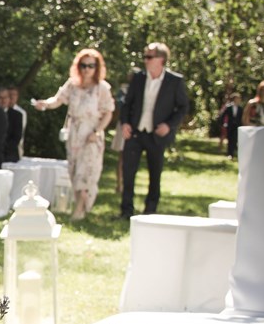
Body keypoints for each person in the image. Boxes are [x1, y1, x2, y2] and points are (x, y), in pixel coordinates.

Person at [32, 48, 113, 220]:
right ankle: (80, 208)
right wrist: (44, 104)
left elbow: (108, 112)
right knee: (74, 170)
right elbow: (58, 100)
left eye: (91, 66)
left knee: (86, 171)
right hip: (74, 134)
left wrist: (97, 131)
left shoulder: (102, 88)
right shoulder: (73, 85)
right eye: (83, 65)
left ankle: (79, 209)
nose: (87, 69)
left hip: (91, 134)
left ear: (97, 67)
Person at [119, 41, 189, 218]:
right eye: (145, 56)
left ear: (161, 59)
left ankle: (150, 212)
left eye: (149, 56)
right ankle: (126, 211)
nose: (146, 60)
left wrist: (169, 125)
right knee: (128, 173)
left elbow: (182, 108)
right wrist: (125, 123)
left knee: (155, 174)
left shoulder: (175, 81)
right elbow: (127, 104)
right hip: (135, 132)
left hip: (156, 135)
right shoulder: (138, 78)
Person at [0, 87, 24, 164]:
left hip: (10, 155)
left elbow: (17, 137)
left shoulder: (17, 115)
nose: (3, 100)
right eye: (0, 98)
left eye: (5, 97)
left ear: (9, 99)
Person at [217, 93, 242, 158]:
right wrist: (223, 124)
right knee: (230, 139)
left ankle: (232, 152)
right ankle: (229, 153)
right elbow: (223, 116)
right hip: (230, 125)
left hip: (237, 126)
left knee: (235, 139)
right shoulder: (229, 107)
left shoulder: (240, 108)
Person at [8, 86, 27, 157]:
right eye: (10, 94)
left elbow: (20, 132)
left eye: (14, 95)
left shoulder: (21, 112)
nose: (12, 97)